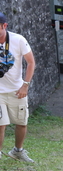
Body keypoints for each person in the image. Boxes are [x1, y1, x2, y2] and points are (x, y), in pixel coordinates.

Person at [0, 12, 35, 162]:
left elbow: (31, 63)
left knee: (21, 123)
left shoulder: (18, 40)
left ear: (4, 26)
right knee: (1, 125)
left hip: (17, 90)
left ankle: (18, 151)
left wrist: (25, 85)